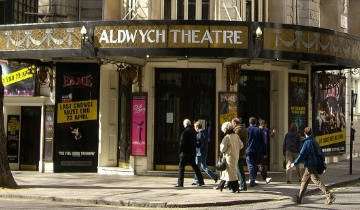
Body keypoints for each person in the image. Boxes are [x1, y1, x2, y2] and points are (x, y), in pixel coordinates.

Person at [290, 127, 335, 205]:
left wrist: (294, 163)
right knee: (304, 181)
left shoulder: (307, 143)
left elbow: (302, 155)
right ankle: (299, 198)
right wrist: (323, 165)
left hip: (310, 165)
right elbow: (320, 153)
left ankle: (329, 195)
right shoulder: (314, 141)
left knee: (316, 181)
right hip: (313, 164)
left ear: (304, 133)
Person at [174, 119, 204, 188]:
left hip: (185, 153)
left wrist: (180, 152)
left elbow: (182, 143)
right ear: (190, 124)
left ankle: (180, 183)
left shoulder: (185, 132)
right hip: (192, 153)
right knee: (195, 167)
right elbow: (197, 142)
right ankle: (201, 181)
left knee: (181, 168)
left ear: (185, 124)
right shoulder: (194, 131)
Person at [215, 122, 243, 192]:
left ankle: (234, 187)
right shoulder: (236, 136)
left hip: (229, 156)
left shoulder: (227, 137)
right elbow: (241, 145)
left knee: (230, 172)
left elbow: (222, 148)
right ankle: (225, 185)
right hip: (236, 155)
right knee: (231, 171)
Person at [192, 121, 218, 185]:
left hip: (199, 153)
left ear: (197, 127)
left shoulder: (199, 134)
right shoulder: (204, 132)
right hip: (204, 152)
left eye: (195, 127)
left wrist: (195, 145)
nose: (195, 129)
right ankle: (214, 176)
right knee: (204, 166)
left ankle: (197, 180)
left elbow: (200, 144)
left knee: (197, 167)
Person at [246, 117, 266, 187]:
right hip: (257, 151)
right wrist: (264, 152)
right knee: (255, 165)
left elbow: (245, 141)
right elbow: (263, 142)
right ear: (256, 122)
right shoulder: (259, 130)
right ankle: (253, 179)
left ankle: (252, 180)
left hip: (249, 150)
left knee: (251, 165)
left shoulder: (247, 130)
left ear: (249, 122)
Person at [231, 117, 248, 191]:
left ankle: (243, 185)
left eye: (232, 123)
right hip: (241, 152)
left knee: (239, 169)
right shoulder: (243, 129)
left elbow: (236, 141)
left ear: (235, 123)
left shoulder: (238, 130)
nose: (232, 125)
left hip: (238, 152)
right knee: (239, 169)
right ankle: (242, 184)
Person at [258, 119, 275, 184]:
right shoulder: (258, 130)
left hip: (263, 148)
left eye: (265, 126)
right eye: (264, 126)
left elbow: (271, 136)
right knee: (259, 164)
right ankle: (265, 177)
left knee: (259, 164)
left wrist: (273, 133)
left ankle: (253, 178)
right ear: (261, 125)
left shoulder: (266, 130)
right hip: (258, 148)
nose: (265, 127)